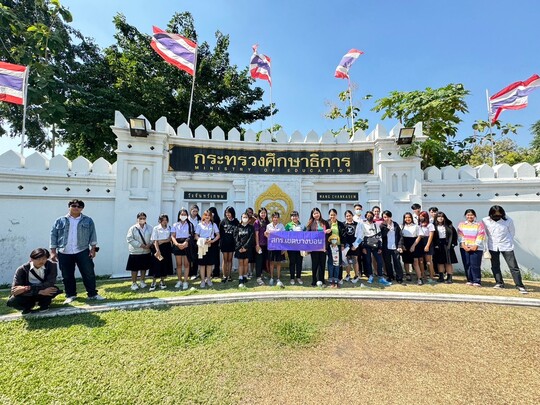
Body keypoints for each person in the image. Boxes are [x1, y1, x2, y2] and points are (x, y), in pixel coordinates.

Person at [50, 199, 104, 304]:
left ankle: (92, 294)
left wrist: (93, 249)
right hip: (64, 251)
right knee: (67, 275)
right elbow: (53, 236)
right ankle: (70, 295)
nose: (76, 208)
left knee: (88, 273)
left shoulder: (88, 220)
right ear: (69, 207)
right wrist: (53, 252)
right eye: (74, 206)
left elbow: (92, 235)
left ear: (82, 208)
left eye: (79, 206)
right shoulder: (60, 221)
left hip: (82, 250)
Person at [482, 205, 528, 294]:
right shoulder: (485, 220)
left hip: (506, 245)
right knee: (495, 265)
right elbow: (485, 233)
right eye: (495, 214)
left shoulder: (508, 220)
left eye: (499, 214)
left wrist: (507, 241)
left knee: (513, 266)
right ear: (491, 214)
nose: (497, 216)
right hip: (493, 246)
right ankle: (499, 283)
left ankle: (520, 285)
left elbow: (512, 232)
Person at [7, 248, 62, 314]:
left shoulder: (51, 266)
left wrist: (27, 288)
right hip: (28, 294)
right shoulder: (22, 269)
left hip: (41, 290)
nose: (41, 261)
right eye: (38, 259)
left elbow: (50, 283)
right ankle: (27, 307)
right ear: (31, 259)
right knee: (12, 301)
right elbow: (15, 289)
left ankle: (44, 304)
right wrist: (38, 291)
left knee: (53, 289)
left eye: (44, 259)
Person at [359, 210, 392, 286]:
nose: (369, 217)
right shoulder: (362, 225)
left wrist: (380, 247)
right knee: (368, 261)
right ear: (366, 217)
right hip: (366, 246)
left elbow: (379, 236)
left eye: (371, 215)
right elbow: (361, 236)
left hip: (375, 246)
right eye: (368, 216)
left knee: (379, 261)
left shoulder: (376, 225)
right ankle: (370, 276)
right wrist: (363, 247)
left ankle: (380, 277)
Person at [457, 209, 485, 287]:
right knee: (467, 264)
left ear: (475, 216)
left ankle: (477, 280)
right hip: (464, 247)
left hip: (476, 248)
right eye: (468, 215)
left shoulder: (479, 224)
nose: (470, 216)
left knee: (475, 264)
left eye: (472, 215)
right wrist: (463, 245)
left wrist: (476, 245)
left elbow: (481, 235)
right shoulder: (461, 224)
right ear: (465, 216)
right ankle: (469, 280)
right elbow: (460, 235)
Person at [126, 212, 153, 290]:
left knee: (143, 267)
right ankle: (134, 283)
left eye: (143, 218)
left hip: (146, 251)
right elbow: (129, 239)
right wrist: (140, 245)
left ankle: (142, 281)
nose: (142, 220)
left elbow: (153, 237)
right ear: (137, 219)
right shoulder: (133, 228)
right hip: (135, 251)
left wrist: (149, 244)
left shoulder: (150, 228)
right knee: (134, 268)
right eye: (140, 218)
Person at [195, 210, 220, 288]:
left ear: (211, 217)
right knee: (202, 264)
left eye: (209, 215)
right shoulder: (199, 225)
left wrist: (212, 241)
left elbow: (218, 235)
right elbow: (196, 235)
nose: (207, 217)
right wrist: (201, 240)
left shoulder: (213, 225)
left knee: (209, 264)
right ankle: (202, 280)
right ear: (203, 216)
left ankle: (208, 279)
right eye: (206, 215)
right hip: (202, 245)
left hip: (210, 245)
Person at [171, 209, 195, 290]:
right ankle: (179, 280)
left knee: (186, 264)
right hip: (177, 244)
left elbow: (191, 235)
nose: (183, 216)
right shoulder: (175, 225)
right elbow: (172, 236)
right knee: (179, 264)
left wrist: (185, 243)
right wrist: (177, 244)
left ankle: (185, 281)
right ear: (179, 215)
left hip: (186, 244)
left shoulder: (190, 224)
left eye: (185, 214)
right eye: (182, 214)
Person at [306, 208, 331, 286]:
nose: (316, 215)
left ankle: (322, 280)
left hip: (323, 247)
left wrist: (329, 231)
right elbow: (307, 235)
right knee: (315, 264)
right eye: (314, 213)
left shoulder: (325, 222)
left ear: (320, 213)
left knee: (322, 264)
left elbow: (329, 234)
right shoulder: (310, 223)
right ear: (312, 215)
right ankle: (314, 280)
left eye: (317, 213)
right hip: (314, 247)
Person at [149, 214, 174, 291]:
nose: (164, 221)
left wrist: (162, 241)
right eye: (163, 220)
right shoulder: (156, 228)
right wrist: (157, 251)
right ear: (160, 221)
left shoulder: (169, 228)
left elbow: (170, 238)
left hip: (166, 248)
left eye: (166, 220)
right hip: (158, 248)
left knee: (164, 264)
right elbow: (155, 240)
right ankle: (153, 282)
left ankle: (162, 281)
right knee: (156, 264)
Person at [432, 212, 458, 284]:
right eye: (439, 217)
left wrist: (453, 244)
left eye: (442, 217)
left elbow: (454, 235)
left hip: (447, 245)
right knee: (440, 262)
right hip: (438, 245)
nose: (440, 218)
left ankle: (449, 277)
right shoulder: (433, 226)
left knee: (448, 262)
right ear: (436, 218)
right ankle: (441, 276)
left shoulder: (449, 226)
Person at [380, 210, 404, 284]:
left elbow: (400, 236)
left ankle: (399, 277)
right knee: (387, 262)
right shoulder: (382, 225)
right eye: (384, 217)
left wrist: (400, 246)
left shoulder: (395, 224)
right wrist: (387, 229)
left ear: (390, 217)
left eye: (387, 217)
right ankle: (390, 276)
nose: (386, 218)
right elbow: (381, 236)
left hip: (395, 247)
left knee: (397, 262)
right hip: (386, 247)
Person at [400, 212, 422, 284]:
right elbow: (400, 236)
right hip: (405, 244)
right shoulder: (402, 226)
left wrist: (413, 246)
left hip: (414, 243)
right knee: (406, 261)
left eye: (409, 217)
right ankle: (408, 274)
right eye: (406, 217)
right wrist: (402, 245)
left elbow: (419, 236)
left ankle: (419, 278)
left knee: (415, 262)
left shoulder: (416, 226)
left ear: (411, 218)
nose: (407, 219)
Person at [265, 212, 286, 287]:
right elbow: (267, 236)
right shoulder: (268, 226)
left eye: (277, 217)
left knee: (278, 263)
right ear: (272, 218)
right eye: (274, 217)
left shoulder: (281, 226)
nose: (275, 219)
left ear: (278, 218)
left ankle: (278, 278)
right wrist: (266, 234)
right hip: (271, 246)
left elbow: (284, 236)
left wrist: (283, 248)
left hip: (279, 247)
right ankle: (271, 277)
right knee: (271, 263)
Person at [234, 212, 255, 288]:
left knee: (246, 263)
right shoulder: (238, 227)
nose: (245, 218)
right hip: (239, 248)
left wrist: (245, 247)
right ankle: (240, 277)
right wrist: (240, 247)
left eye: (246, 217)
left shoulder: (251, 227)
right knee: (240, 263)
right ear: (241, 218)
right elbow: (236, 238)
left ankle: (245, 276)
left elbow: (251, 238)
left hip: (247, 248)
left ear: (248, 219)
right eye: (243, 217)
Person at [285, 210, 305, 285]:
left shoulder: (302, 226)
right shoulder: (288, 225)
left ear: (298, 217)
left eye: (296, 216)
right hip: (291, 247)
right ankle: (292, 278)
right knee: (292, 262)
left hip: (300, 247)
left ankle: (299, 277)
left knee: (299, 262)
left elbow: (306, 236)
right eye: (293, 216)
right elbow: (284, 235)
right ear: (291, 217)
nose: (294, 217)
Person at [219, 206, 239, 283]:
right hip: (224, 243)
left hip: (232, 243)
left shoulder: (236, 221)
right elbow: (220, 233)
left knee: (230, 259)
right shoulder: (223, 221)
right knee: (225, 259)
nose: (228, 214)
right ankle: (224, 275)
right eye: (226, 213)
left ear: (232, 213)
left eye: (229, 213)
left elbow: (238, 232)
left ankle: (229, 275)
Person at [327, 208, 346, 285]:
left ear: (336, 215)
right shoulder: (327, 223)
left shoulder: (340, 224)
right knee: (331, 263)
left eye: (334, 215)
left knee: (338, 262)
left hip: (338, 246)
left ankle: (338, 277)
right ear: (329, 215)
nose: (332, 216)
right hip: (330, 246)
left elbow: (343, 235)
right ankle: (331, 278)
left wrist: (342, 245)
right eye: (331, 215)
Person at [342, 210, 361, 283]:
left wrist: (355, 245)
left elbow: (360, 236)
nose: (348, 217)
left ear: (352, 216)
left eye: (349, 215)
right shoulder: (343, 224)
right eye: (347, 216)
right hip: (346, 246)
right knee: (347, 260)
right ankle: (348, 275)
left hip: (354, 245)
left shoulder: (357, 224)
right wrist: (343, 245)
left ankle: (356, 275)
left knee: (355, 260)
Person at [418, 211, 436, 283]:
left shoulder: (430, 225)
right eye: (420, 216)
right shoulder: (419, 225)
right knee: (421, 260)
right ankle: (423, 275)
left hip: (427, 241)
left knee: (428, 260)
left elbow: (431, 236)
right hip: (420, 241)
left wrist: (427, 245)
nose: (421, 217)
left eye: (422, 216)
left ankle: (431, 276)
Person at [254, 207, 270, 286]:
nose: (263, 214)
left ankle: (262, 274)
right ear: (259, 214)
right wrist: (257, 245)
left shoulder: (267, 222)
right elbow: (256, 234)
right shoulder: (257, 222)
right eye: (262, 213)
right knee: (259, 261)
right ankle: (258, 277)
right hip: (259, 244)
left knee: (264, 260)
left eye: (264, 213)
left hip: (266, 245)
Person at [208, 207, 222, 278]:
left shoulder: (217, 221)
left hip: (215, 241)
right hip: (208, 241)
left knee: (216, 258)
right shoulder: (207, 221)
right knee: (209, 258)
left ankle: (216, 272)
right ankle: (209, 273)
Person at [188, 204, 201, 279]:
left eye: (196, 211)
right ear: (190, 211)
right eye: (193, 211)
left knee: (196, 257)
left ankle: (195, 273)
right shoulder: (187, 219)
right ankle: (189, 273)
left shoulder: (199, 219)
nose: (195, 213)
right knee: (189, 256)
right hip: (189, 239)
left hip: (196, 239)